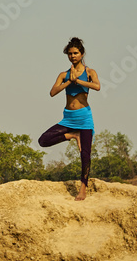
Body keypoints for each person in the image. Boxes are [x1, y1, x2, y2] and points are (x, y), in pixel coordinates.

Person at [38, 37, 100, 200]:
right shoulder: (63, 75)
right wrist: (68, 82)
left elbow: (97, 86)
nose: (72, 56)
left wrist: (78, 81)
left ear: (82, 53)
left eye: (75, 53)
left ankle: (83, 189)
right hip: (68, 118)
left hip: (84, 118)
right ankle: (73, 135)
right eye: (70, 54)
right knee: (43, 140)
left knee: (85, 154)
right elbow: (52, 92)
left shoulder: (89, 72)